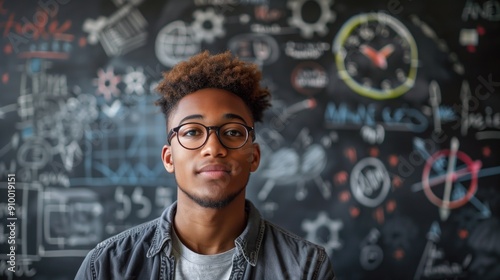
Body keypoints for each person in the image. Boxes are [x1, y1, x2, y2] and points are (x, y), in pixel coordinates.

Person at [75, 50, 336, 280]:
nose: (213, 148)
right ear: (169, 158)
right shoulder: (108, 267)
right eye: (192, 132)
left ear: (254, 157)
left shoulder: (306, 269)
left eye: (233, 132)